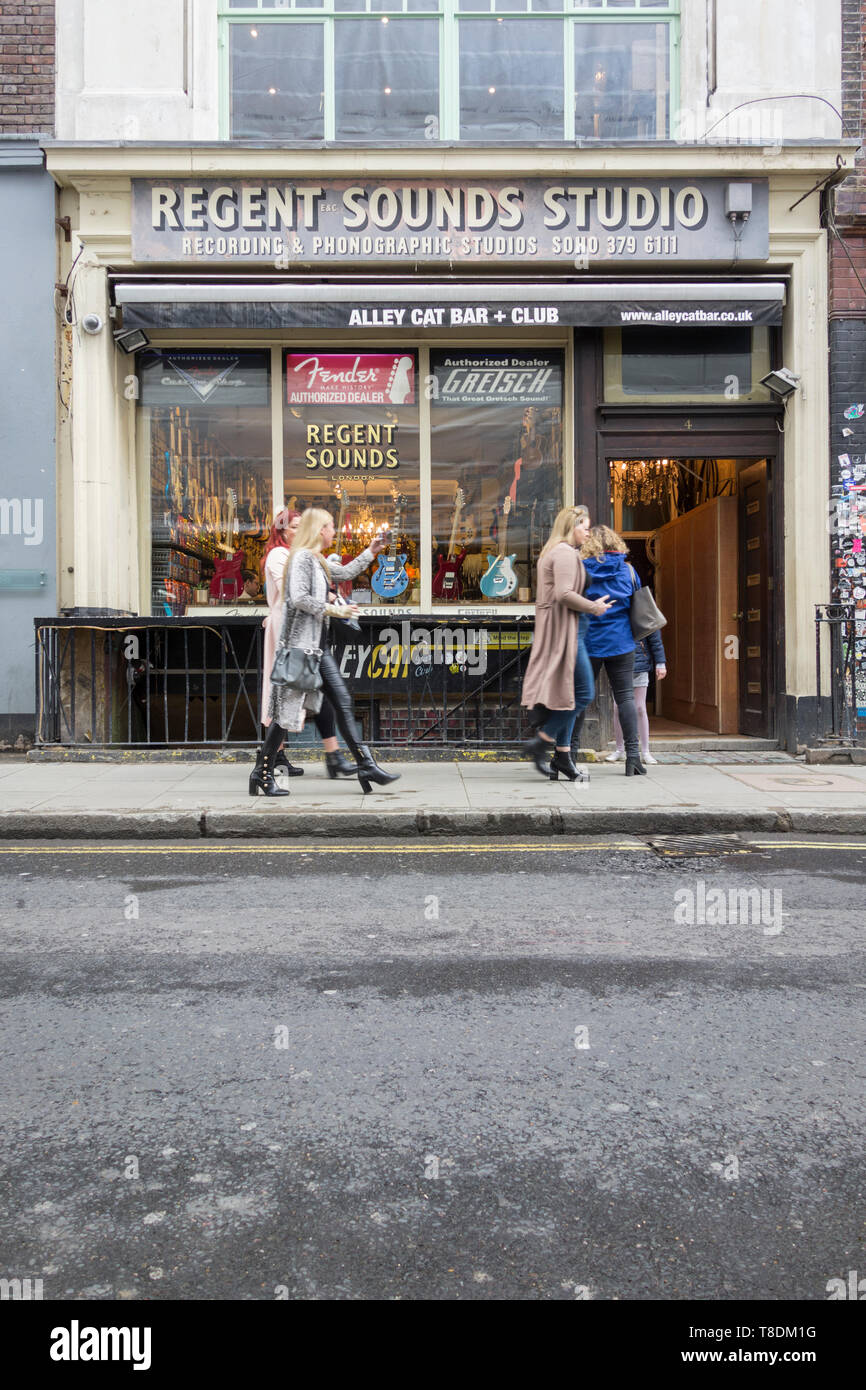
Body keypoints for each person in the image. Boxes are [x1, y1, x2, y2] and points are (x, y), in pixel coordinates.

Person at [252, 508, 400, 796]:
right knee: (285, 715)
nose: (335, 531)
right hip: (300, 648)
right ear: (320, 530)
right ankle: (262, 771)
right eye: (331, 526)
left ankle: (365, 764)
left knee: (342, 702)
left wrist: (371, 551)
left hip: (318, 648)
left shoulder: (316, 558)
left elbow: (343, 572)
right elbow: (299, 598)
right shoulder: (300, 559)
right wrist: (336, 608)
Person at [259, 508, 355, 782]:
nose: (298, 532)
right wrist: (329, 600)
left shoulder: (302, 554)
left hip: (304, 627)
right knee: (286, 693)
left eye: (302, 526)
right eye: (293, 527)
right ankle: (271, 760)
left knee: (300, 692)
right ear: (281, 531)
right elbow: (293, 591)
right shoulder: (282, 555)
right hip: (290, 628)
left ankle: (275, 762)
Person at [520, 505, 613, 781]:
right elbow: (563, 594)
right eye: (584, 526)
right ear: (571, 526)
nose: (588, 531)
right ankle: (542, 741)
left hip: (572, 630)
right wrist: (593, 606)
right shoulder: (562, 552)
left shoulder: (564, 552)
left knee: (566, 698)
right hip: (568, 634)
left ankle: (562, 756)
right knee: (584, 694)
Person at [576, 525, 647, 776]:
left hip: (590, 642)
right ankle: (633, 758)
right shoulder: (628, 570)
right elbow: (637, 604)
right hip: (622, 642)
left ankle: (571, 754)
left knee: (581, 699)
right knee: (626, 697)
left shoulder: (581, 568)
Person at [606, 630, 667, 764]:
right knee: (617, 708)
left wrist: (661, 663)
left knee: (640, 708)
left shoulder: (644, 611)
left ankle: (645, 751)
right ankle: (619, 749)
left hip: (640, 665)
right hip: (619, 665)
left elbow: (655, 640)